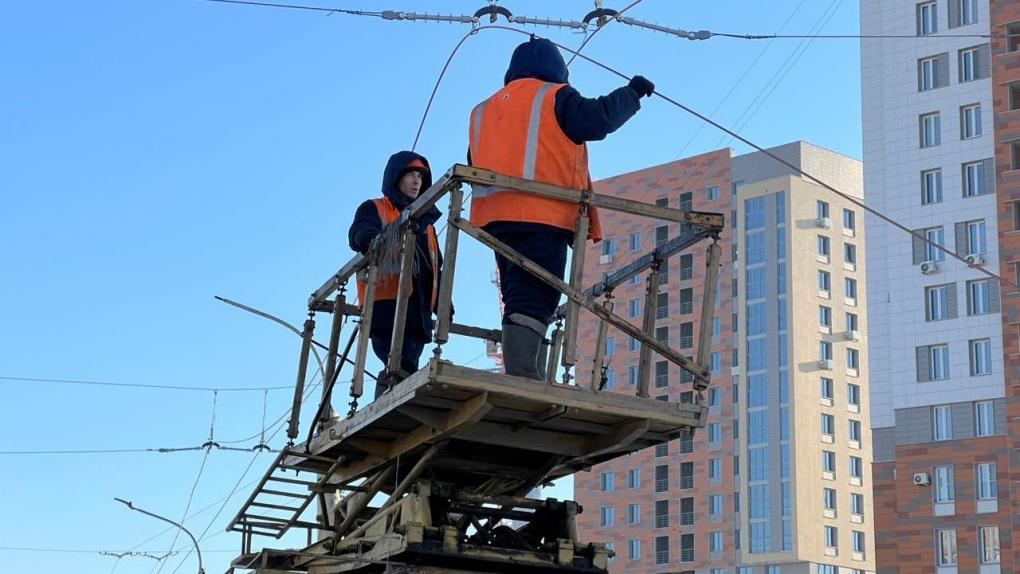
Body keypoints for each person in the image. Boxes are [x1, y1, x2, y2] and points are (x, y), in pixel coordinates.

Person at [468, 37, 654, 380]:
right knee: (536, 295)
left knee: (517, 295)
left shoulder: (483, 111)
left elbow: (474, 161)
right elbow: (598, 119)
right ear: (557, 70)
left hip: (493, 220)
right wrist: (632, 94)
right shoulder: (552, 96)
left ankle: (527, 371)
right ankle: (524, 374)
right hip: (541, 215)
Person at [349, 151, 442, 397]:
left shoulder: (427, 225)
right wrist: (371, 240)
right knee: (399, 364)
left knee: (404, 366)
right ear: (396, 178)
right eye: (410, 174)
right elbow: (359, 233)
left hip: (418, 312)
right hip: (386, 308)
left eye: (420, 176)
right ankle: (389, 401)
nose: (416, 181)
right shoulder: (375, 209)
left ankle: (390, 398)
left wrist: (443, 304)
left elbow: (435, 268)